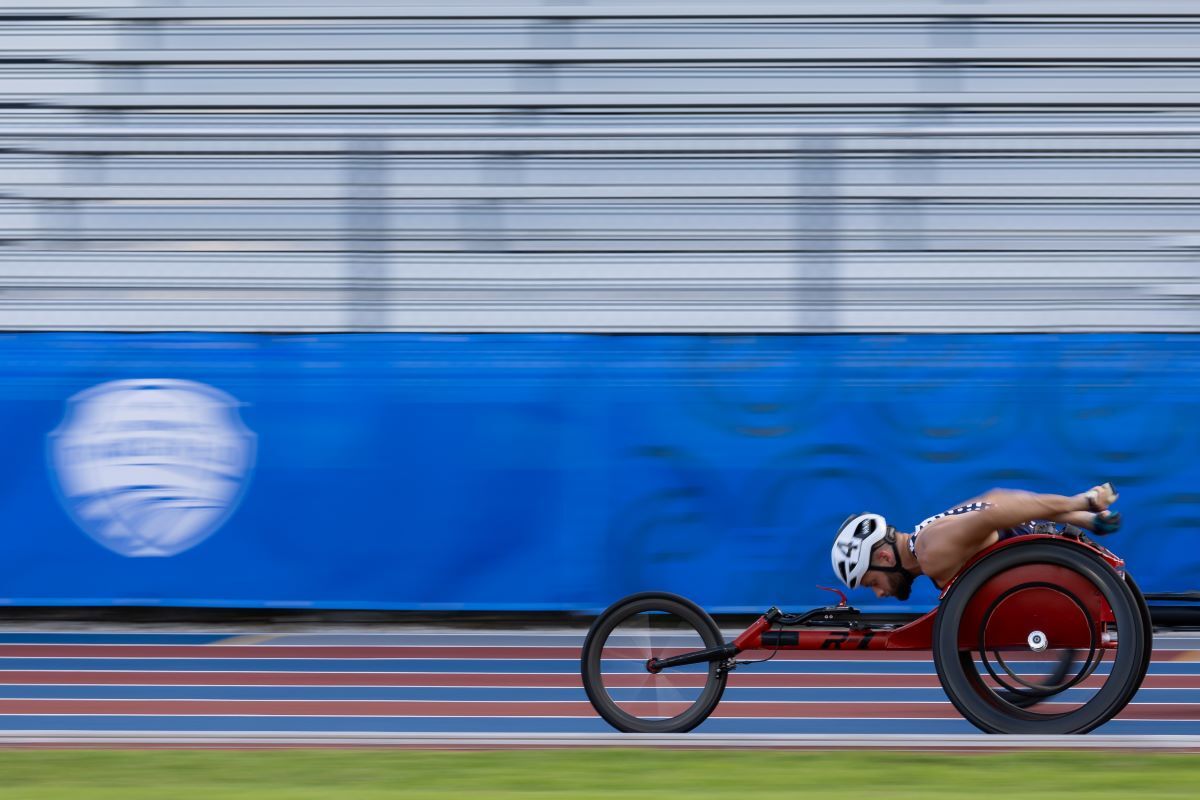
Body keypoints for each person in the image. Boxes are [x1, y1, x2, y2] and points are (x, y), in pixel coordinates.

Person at [830, 484, 1121, 600]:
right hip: (1036, 560)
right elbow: (993, 499)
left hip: (1042, 574)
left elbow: (997, 512)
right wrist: (1082, 518)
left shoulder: (931, 551)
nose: (879, 594)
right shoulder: (926, 537)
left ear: (884, 558)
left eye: (872, 583)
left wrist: (1081, 503)